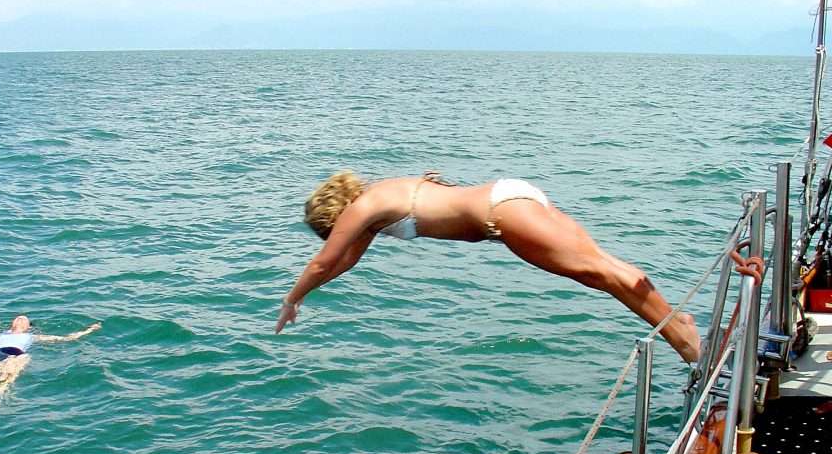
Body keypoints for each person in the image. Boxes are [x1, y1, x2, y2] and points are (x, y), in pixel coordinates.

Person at [275, 171, 701, 363]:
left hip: (502, 216)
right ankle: (678, 324)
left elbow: (324, 261)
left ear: (333, 217)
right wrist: (312, 290)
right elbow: (344, 262)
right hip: (508, 196)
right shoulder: (382, 194)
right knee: (603, 268)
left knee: (603, 274)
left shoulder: (363, 207)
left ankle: (684, 341)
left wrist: (292, 300)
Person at [0, 315, 101, 393]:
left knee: (7, 372)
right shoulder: (0, 335)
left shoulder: (32, 336)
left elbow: (66, 338)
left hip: (17, 355)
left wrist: (89, 330)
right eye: (18, 318)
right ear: (12, 324)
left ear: (28, 327)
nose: (20, 319)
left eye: (24, 319)